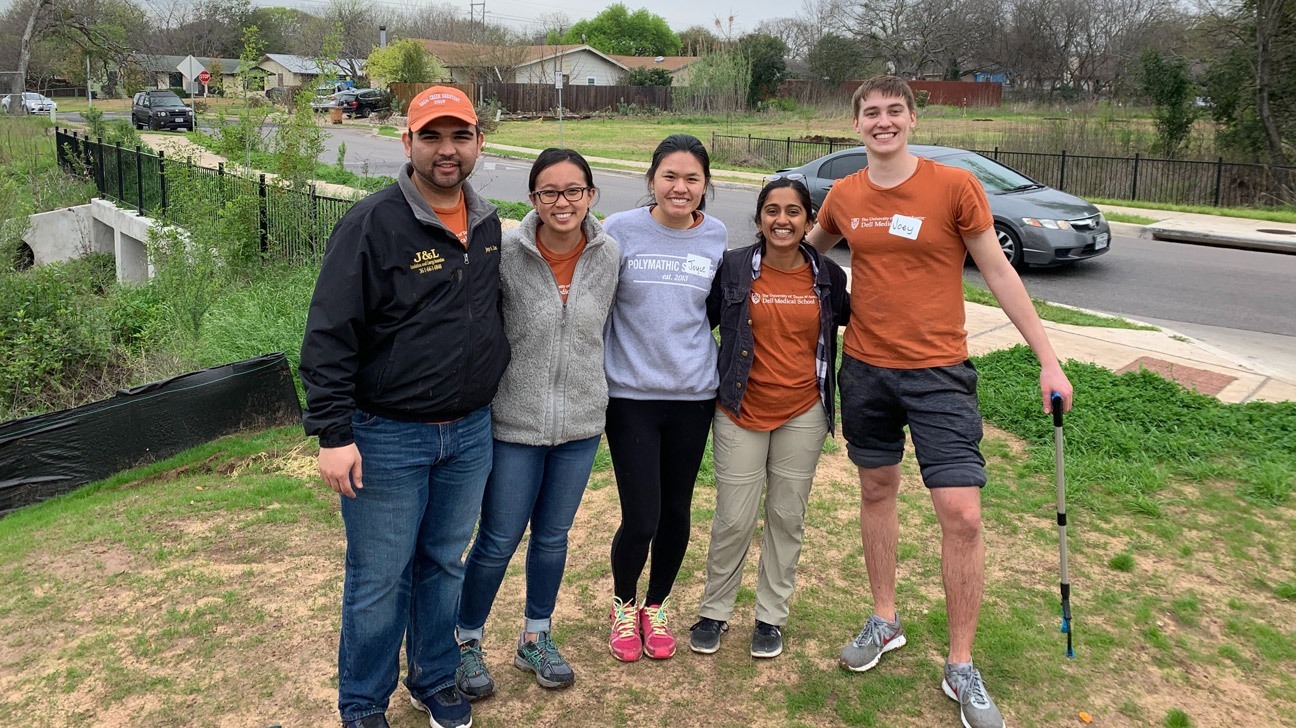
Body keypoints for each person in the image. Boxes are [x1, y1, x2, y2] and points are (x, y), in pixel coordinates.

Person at [806, 75, 1074, 728]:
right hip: (866, 371)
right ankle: (884, 619)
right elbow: (804, 256)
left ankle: (960, 664)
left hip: (939, 374)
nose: (883, 121)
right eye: (871, 112)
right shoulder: (843, 196)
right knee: (876, 491)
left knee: (962, 514)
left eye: (894, 110)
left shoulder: (954, 187)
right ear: (856, 124)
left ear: (912, 118)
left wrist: (1048, 358)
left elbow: (1001, 271)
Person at [300, 86, 510, 728]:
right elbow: (329, 334)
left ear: (478, 142)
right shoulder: (371, 222)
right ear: (408, 143)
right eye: (432, 137)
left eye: (460, 136)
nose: (447, 151)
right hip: (387, 436)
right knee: (379, 579)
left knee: (443, 563)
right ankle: (363, 703)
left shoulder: (488, 221)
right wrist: (333, 434)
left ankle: (434, 678)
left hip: (470, 434)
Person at [453, 149, 620, 698]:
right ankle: (465, 641)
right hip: (513, 424)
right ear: (533, 200)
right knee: (498, 539)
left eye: (574, 190)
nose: (563, 202)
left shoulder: (608, 255)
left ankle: (536, 636)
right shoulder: (506, 255)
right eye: (549, 191)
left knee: (552, 537)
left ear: (592, 196)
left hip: (580, 425)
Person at [689, 178, 850, 659]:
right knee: (734, 518)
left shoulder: (827, 275)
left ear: (809, 220)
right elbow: (703, 323)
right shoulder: (734, 268)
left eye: (794, 211)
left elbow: (853, 323)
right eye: (772, 210)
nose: (783, 220)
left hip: (804, 409)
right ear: (759, 218)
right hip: (739, 407)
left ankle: (770, 617)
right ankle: (714, 611)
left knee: (786, 515)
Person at [601, 133, 727, 662]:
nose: (680, 187)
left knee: (677, 510)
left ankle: (656, 606)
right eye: (670, 176)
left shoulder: (717, 237)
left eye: (692, 178)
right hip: (630, 395)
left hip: (693, 397)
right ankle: (623, 604)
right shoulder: (617, 230)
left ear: (705, 186)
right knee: (643, 516)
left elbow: (716, 311)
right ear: (651, 179)